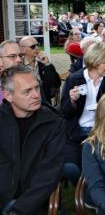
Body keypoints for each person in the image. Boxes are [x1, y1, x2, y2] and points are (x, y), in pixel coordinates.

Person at [0, 65, 64, 215]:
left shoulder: (53, 123)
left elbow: (49, 174)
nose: (36, 95)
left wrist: (18, 210)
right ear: (8, 96)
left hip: (32, 204)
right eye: (27, 91)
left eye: (36, 88)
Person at [61, 42, 105, 185]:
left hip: (102, 131)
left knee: (98, 161)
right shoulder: (74, 79)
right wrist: (72, 101)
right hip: (75, 131)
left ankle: (91, 190)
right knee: (72, 167)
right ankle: (85, 188)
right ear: (94, 61)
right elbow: (64, 112)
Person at [19, 36, 61, 104]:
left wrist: (48, 64)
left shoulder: (42, 64)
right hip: (25, 103)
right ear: (23, 49)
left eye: (37, 45)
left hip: (44, 103)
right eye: (33, 46)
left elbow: (57, 83)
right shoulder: (18, 66)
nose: (37, 48)